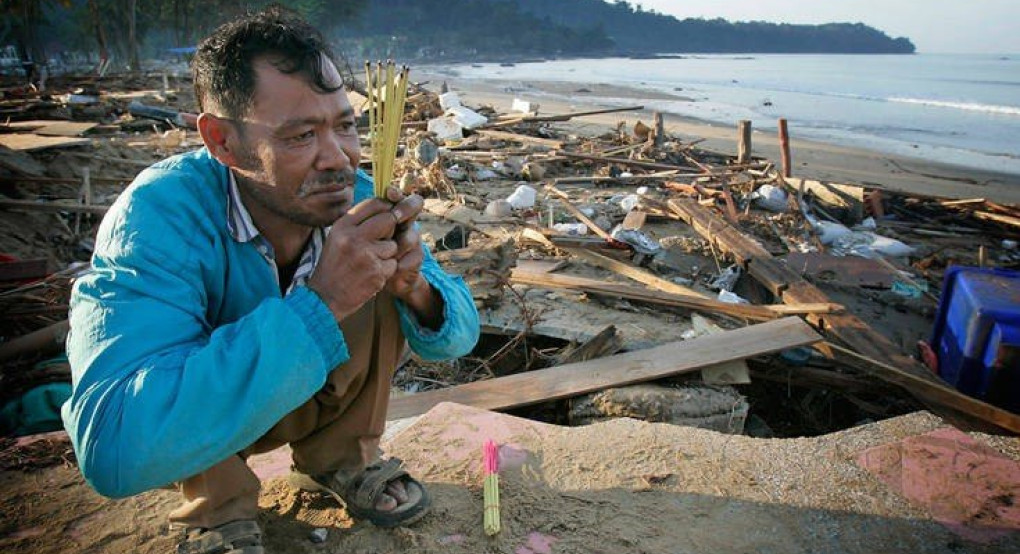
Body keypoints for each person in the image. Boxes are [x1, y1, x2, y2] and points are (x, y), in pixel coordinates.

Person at [61, 6, 479, 553]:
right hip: (205, 431)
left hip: (302, 396)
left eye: (346, 125)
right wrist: (323, 300)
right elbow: (112, 448)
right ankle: (219, 507)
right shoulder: (158, 218)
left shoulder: (352, 195)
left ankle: (343, 457)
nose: (339, 159)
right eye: (301, 135)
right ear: (222, 143)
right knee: (231, 317)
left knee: (370, 267)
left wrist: (414, 288)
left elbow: (460, 336)